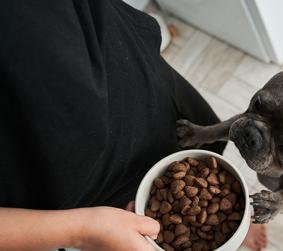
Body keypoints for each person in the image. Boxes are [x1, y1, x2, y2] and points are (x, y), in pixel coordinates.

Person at [0, 0, 266, 250]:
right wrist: (82, 229)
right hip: (64, 182)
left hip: (125, 69)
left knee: (201, 144)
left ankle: (239, 221)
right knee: (138, 221)